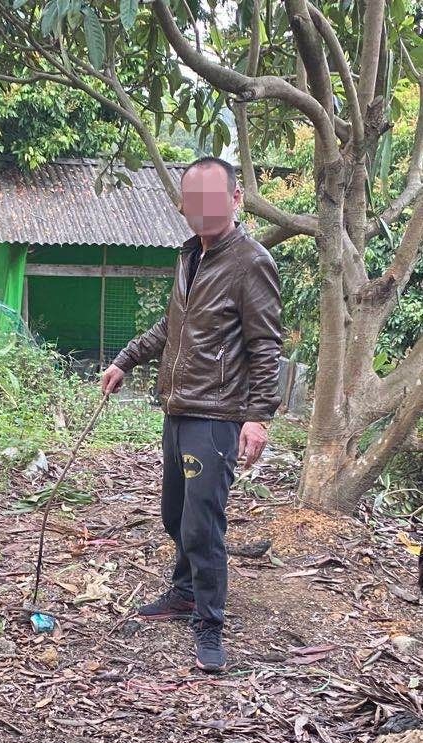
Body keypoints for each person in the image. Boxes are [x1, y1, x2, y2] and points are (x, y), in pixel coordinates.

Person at [101, 156, 283, 673]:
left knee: (203, 524)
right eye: (192, 199)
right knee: (175, 513)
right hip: (178, 408)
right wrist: (125, 359)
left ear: (235, 199)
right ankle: (184, 592)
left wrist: (258, 416)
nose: (200, 209)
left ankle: (210, 622)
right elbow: (171, 329)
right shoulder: (189, 257)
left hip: (217, 416)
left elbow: (265, 346)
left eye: (211, 197)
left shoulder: (250, 262)